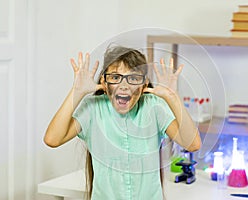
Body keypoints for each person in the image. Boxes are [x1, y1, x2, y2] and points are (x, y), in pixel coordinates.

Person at [44, 46, 201, 200]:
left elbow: (192, 144)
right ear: (104, 83)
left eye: (133, 78)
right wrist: (76, 92)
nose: (124, 86)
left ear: (143, 85)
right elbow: (53, 139)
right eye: (115, 77)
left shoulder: (154, 106)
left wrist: (172, 97)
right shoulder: (92, 108)